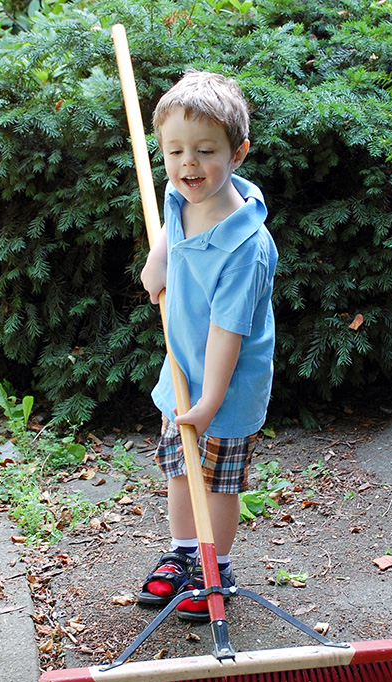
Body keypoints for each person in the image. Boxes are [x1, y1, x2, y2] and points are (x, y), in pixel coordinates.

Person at [136, 69, 278, 621]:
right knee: (179, 468)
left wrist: (210, 401)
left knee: (216, 480)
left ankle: (214, 564)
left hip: (225, 381)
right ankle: (184, 553)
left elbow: (229, 333)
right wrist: (159, 257)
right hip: (182, 368)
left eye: (205, 151)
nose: (187, 165)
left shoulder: (247, 246)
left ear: (238, 153)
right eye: (174, 151)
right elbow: (172, 214)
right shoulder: (181, 193)